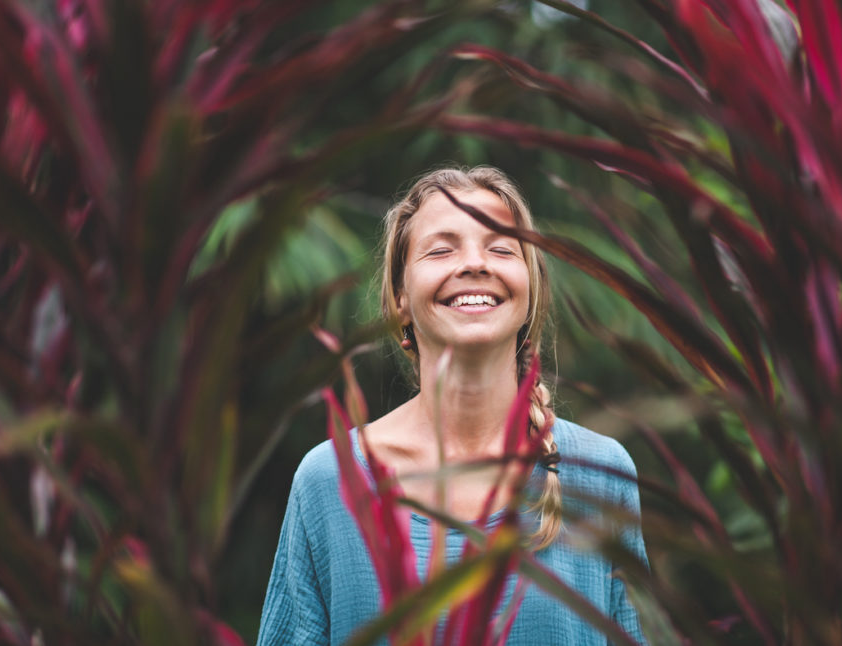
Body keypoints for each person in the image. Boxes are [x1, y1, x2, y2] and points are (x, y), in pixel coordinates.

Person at [256, 166, 648, 645]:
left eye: (501, 248)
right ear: (400, 298)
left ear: (529, 290)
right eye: (441, 250)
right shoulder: (330, 481)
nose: (475, 263)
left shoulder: (601, 474)